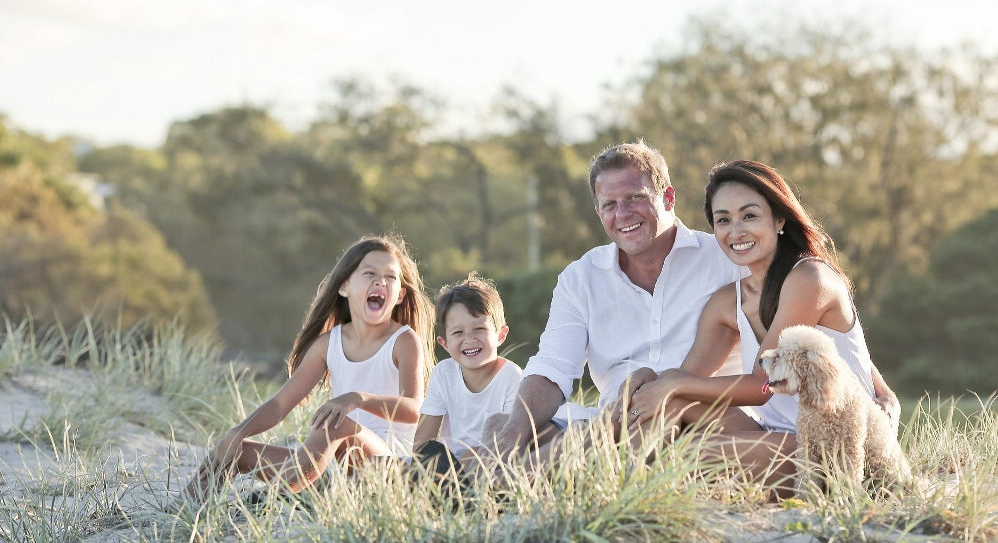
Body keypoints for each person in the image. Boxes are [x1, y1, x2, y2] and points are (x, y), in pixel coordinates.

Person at [620, 159, 900, 490]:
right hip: (776, 435)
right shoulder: (727, 302)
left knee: (684, 454)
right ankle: (612, 474)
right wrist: (653, 381)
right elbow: (689, 380)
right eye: (723, 220)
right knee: (673, 405)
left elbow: (762, 386)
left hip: (831, 445)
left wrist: (672, 385)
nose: (736, 231)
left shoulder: (809, 278)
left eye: (749, 216)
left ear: (779, 219)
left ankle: (624, 483)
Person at [485, 140, 747, 465]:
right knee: (502, 425)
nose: (622, 214)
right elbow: (553, 366)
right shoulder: (581, 278)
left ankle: (514, 478)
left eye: (635, 198)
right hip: (611, 423)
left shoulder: (727, 260)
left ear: (668, 197)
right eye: (609, 205)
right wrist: (512, 436)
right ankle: (515, 473)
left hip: (698, 418)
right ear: (598, 213)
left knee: (636, 426)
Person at [183, 234, 434, 503]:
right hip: (330, 468)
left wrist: (357, 399)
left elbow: (413, 409)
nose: (380, 281)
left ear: (400, 295)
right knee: (233, 449)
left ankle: (279, 497)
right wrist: (238, 433)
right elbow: (280, 405)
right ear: (344, 287)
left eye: (391, 277)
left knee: (335, 425)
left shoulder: (404, 341)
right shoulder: (328, 344)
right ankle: (177, 515)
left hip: (387, 465)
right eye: (370, 272)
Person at [413, 272, 523, 457]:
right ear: (445, 343)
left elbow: (513, 442)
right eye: (458, 333)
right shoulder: (444, 373)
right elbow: (422, 441)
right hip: (449, 465)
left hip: (492, 463)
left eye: (479, 329)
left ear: (501, 335)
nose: (470, 339)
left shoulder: (511, 377)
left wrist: (468, 459)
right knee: (390, 463)